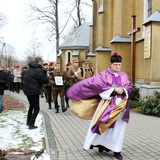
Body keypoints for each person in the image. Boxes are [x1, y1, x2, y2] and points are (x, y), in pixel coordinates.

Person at [67, 52, 132, 160]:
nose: (117, 67)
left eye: (119, 65)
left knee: (118, 129)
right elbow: (99, 87)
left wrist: (124, 90)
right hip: (106, 104)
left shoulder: (124, 75)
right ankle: (101, 144)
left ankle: (117, 150)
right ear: (111, 64)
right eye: (115, 64)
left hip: (121, 106)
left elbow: (129, 87)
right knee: (102, 124)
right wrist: (114, 90)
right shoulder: (103, 75)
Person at [23, 57, 49, 130]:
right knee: (37, 108)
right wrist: (47, 76)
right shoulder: (38, 70)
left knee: (31, 106)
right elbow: (44, 80)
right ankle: (31, 124)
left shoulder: (28, 69)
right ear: (39, 62)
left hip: (27, 90)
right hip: (34, 91)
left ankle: (28, 121)